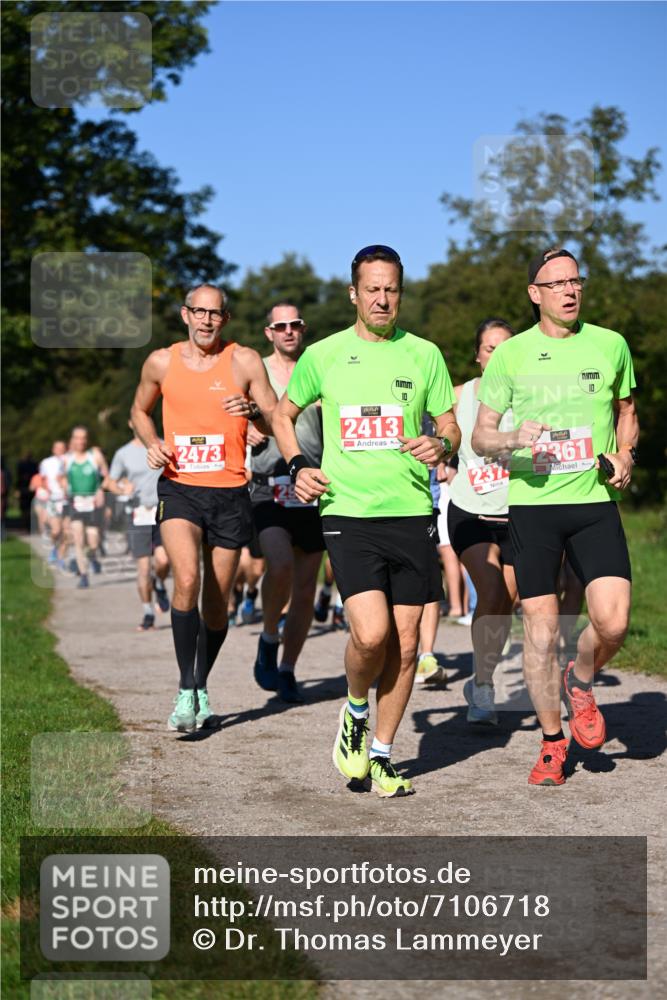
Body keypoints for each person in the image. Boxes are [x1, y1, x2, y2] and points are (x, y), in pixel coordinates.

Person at [273, 245, 460, 797]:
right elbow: (283, 414)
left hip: (410, 511)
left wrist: (440, 441)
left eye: (392, 289)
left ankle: (380, 753)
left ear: (401, 293)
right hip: (348, 512)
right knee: (372, 633)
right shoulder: (325, 355)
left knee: (404, 642)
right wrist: (298, 464)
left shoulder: (424, 355)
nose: (383, 298)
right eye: (372, 289)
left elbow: (450, 423)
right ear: (354, 293)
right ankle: (355, 707)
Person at [472, 247, 638, 785]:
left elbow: (626, 411)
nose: (570, 290)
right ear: (534, 294)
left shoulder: (610, 344)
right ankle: (550, 744)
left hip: (592, 502)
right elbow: (480, 435)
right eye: (558, 283)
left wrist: (626, 453)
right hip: (534, 506)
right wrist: (510, 438)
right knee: (541, 633)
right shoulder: (511, 355)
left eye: (576, 281)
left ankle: (581, 677)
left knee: (612, 620)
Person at [131, 283, 277, 732]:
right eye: (199, 312)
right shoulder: (161, 361)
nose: (206, 321)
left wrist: (251, 409)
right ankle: (185, 687)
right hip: (180, 488)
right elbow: (138, 412)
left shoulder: (245, 360)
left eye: (215, 314)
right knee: (186, 579)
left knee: (216, 606)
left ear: (225, 319)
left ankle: (201, 684)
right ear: (185, 315)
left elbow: (276, 416)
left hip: (231, 493)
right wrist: (152, 442)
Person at [250, 302, 325, 704]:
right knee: (278, 564)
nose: (289, 331)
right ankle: (267, 636)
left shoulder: (320, 366)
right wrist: (243, 428)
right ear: (269, 332)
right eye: (280, 326)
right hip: (269, 483)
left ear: (303, 328)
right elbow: (230, 414)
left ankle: (288, 669)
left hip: (313, 486)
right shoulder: (255, 371)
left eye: (295, 324)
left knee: (305, 589)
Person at [447, 318, 518, 725]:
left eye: (505, 348)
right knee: (489, 590)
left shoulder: (529, 398)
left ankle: (481, 680)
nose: (497, 356)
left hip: (517, 514)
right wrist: (439, 456)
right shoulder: (460, 396)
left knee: (503, 603)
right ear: (478, 355)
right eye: (490, 348)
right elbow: (435, 427)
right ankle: (484, 688)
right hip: (470, 510)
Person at [105, 423, 171, 631]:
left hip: (163, 510)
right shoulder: (123, 453)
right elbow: (109, 482)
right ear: (132, 423)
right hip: (138, 513)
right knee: (143, 568)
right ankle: (148, 613)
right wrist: (123, 488)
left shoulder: (163, 445)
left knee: (163, 560)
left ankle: (159, 584)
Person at [64, 427, 108, 589]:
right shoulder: (67, 459)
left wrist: (100, 490)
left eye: (83, 438)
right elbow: (61, 478)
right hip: (75, 504)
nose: (80, 441)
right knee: (78, 540)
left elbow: (106, 475)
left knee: (93, 541)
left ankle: (93, 556)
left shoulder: (94, 456)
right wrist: (64, 488)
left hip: (93, 504)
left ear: (87, 439)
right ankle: (84, 576)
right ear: (73, 439)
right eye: (77, 438)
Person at [39, 440, 68, 567]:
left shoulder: (69, 460)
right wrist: (46, 490)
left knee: (66, 531)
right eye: (57, 448)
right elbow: (42, 479)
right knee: (56, 531)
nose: (60, 450)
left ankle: (61, 559)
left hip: (67, 499)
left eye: (62, 448)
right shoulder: (46, 462)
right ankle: (54, 548)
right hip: (53, 499)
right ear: (53, 449)